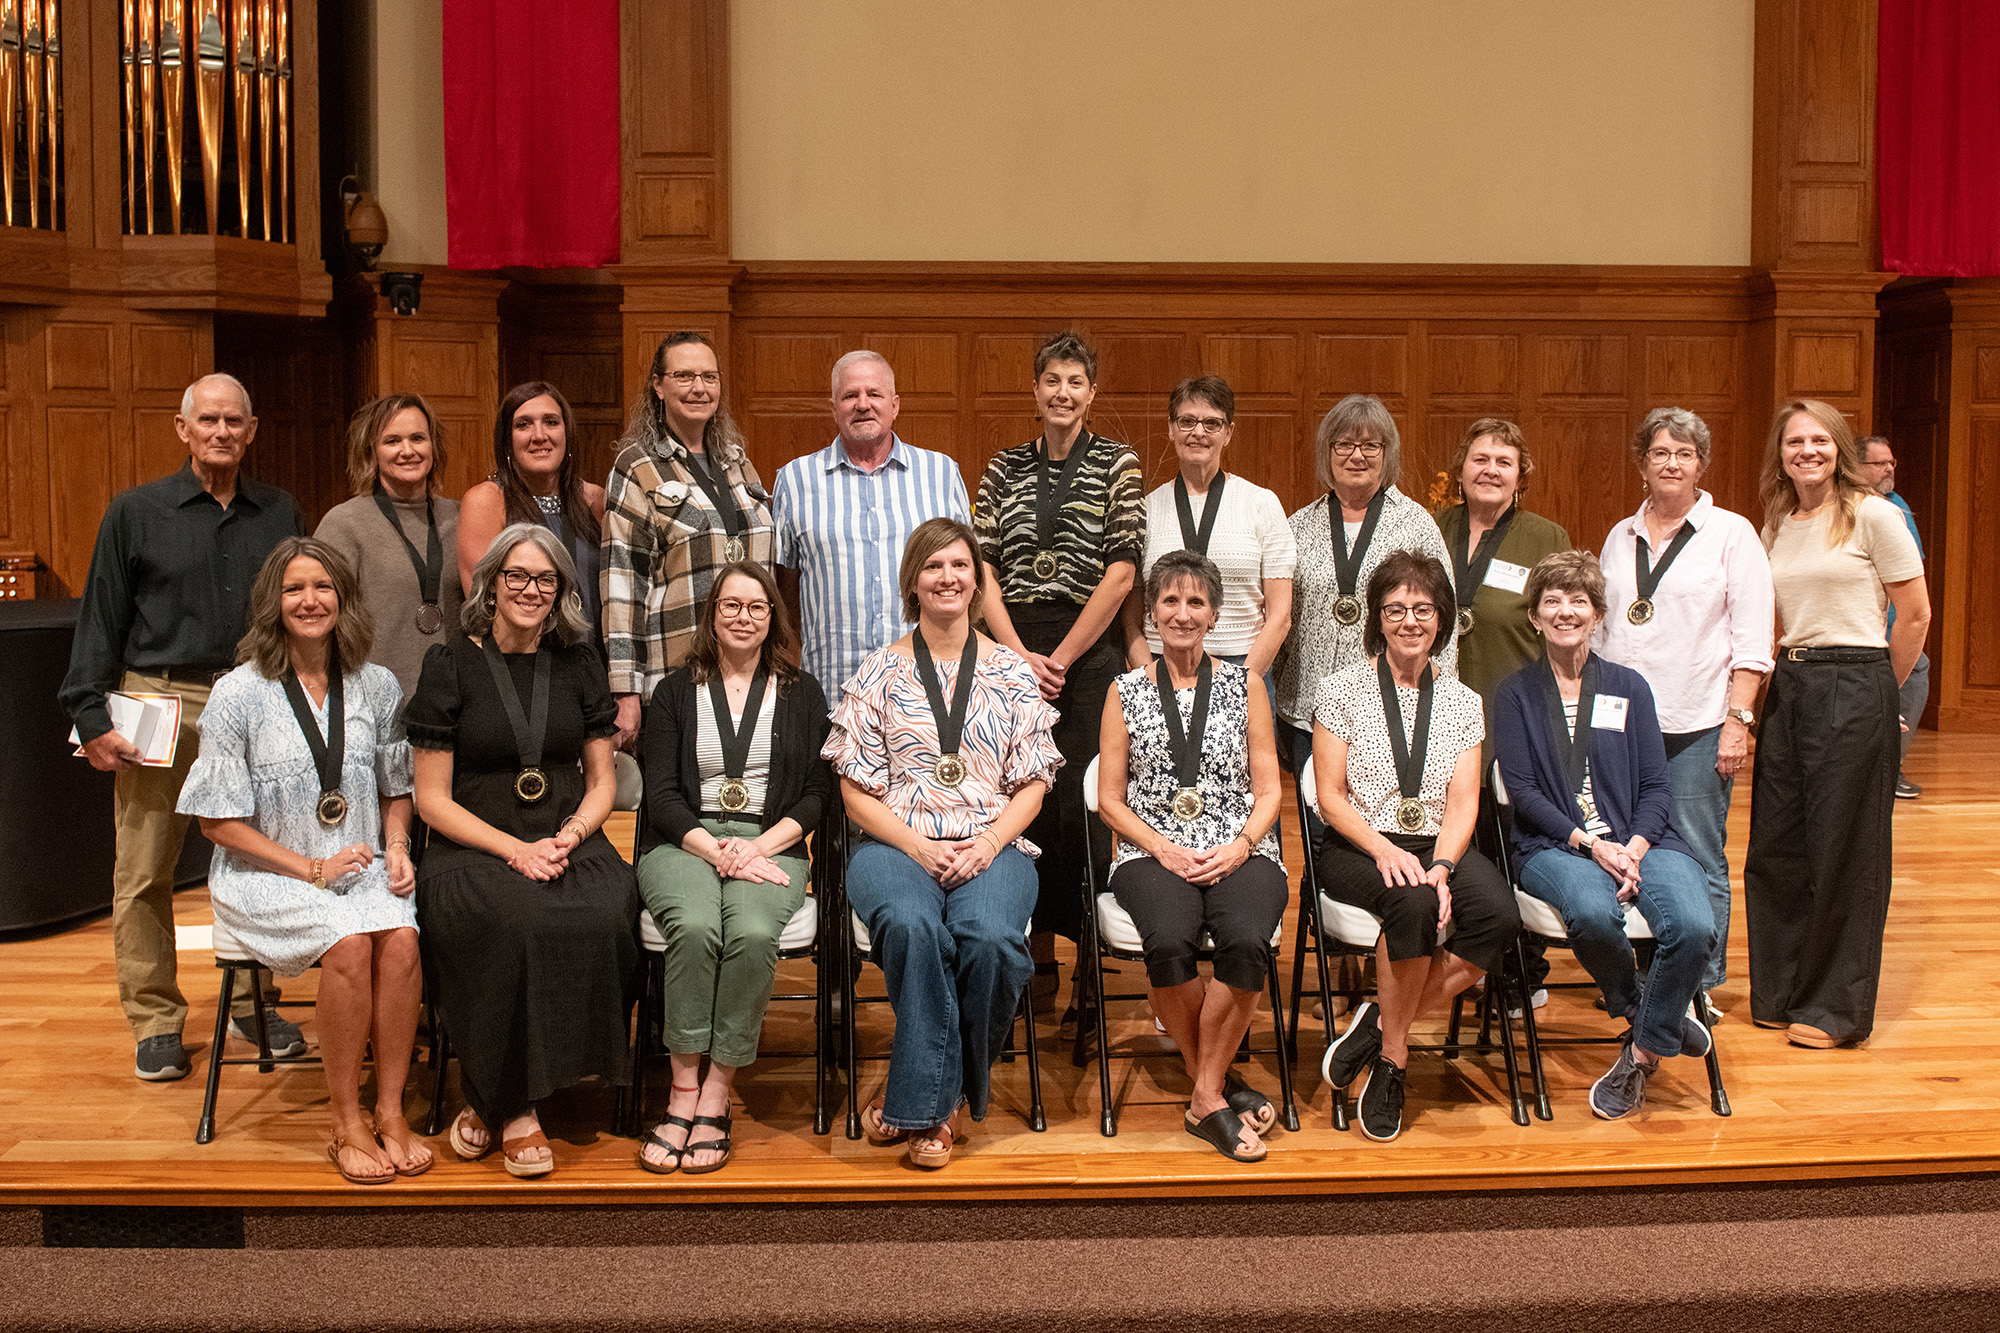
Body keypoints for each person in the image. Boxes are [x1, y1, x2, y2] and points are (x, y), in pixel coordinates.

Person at [59, 373, 306, 1082]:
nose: (222, 431)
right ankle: (157, 1018)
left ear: (251, 430)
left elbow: (304, 605)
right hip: (158, 700)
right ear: (183, 427)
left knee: (261, 857)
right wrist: (87, 710)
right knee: (145, 870)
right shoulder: (135, 512)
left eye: (235, 420)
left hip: (256, 697)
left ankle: (255, 1001)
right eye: (209, 420)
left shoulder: (280, 511)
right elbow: (100, 615)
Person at [176, 539, 427, 1182]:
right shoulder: (238, 693)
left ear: (343, 598)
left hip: (361, 862)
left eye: (322, 587)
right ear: (273, 603)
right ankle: (346, 1123)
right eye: (294, 589)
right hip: (266, 873)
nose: (310, 600)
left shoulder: (375, 683)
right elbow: (216, 820)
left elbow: (398, 788)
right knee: (348, 944)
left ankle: (391, 1112)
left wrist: (397, 847)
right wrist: (309, 868)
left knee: (401, 940)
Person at [822, 518, 1060, 1169]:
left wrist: (987, 843)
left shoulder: (1012, 673)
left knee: (990, 941)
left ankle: (925, 1099)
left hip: (995, 845)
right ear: (913, 582)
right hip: (895, 847)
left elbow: (1034, 785)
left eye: (961, 565)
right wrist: (920, 847)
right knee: (911, 924)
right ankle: (941, 1109)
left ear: (979, 581)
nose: (949, 577)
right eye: (934, 566)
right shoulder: (877, 671)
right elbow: (855, 793)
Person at [407, 523, 638, 1177]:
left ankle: (491, 1096)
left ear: (561, 588)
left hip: (565, 836)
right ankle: (515, 1108)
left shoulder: (579, 662)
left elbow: (602, 781)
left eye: (545, 579)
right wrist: (515, 849)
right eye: (517, 575)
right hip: (472, 843)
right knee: (515, 920)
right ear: (491, 582)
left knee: (608, 908)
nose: (530, 590)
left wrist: (573, 833)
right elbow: (432, 798)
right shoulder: (449, 664)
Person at [1494, 551, 1717, 1120]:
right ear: (1535, 618)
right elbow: (1523, 791)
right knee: (1593, 915)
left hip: (1646, 841)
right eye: (1552, 601)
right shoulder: (1515, 693)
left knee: (1693, 925)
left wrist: (1635, 848)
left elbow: (1656, 785)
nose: (1565, 611)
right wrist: (1593, 846)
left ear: (1598, 615)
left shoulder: (1629, 687)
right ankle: (1653, 1015)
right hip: (1554, 845)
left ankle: (1642, 1048)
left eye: (1578, 601)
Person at [1310, 550, 1517, 1142]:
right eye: (1395, 609)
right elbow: (1330, 797)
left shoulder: (1462, 702)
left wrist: (1446, 865)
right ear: (1376, 618)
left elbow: (1462, 805)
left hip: (1436, 844)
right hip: (1358, 845)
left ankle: (1379, 1022)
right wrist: (1385, 850)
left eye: (1422, 609)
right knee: (1414, 906)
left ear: (1442, 619)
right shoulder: (1340, 689)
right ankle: (1394, 1063)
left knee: (1499, 916)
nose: (1409, 621)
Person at [973, 331, 1145, 1028]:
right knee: (1021, 809)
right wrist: (1015, 653)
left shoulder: (1118, 463)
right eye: (1052, 380)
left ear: (1091, 392)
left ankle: (1089, 977)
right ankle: (1031, 963)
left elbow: (1124, 570)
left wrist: (1065, 658)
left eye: (1076, 381)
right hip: (1011, 653)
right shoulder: (1002, 466)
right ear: (1035, 388)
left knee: (1082, 811)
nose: (1063, 392)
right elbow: (982, 568)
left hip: (1088, 655)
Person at [635, 562, 830, 1175]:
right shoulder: (671, 693)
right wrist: (716, 850)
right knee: (694, 928)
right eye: (730, 605)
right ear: (711, 615)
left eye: (757, 606)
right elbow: (661, 796)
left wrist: (759, 847)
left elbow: (816, 795)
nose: (743, 617)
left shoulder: (803, 693)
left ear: (773, 617)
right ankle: (682, 1089)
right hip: (685, 843)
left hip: (770, 843)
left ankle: (719, 1088)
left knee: (746, 933)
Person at [1745, 400, 1928, 1050]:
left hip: (1855, 676)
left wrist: (1880, 692)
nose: (1807, 451)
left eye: (1819, 439)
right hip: (1789, 681)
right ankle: (1782, 990)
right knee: (1777, 845)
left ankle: (1834, 1009)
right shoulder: (1779, 521)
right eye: (1795, 441)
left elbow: (1914, 615)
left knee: (1845, 850)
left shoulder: (1873, 513)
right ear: (1782, 452)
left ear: (1839, 446)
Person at [1097, 551, 1287, 1162]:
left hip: (1240, 845)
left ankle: (1204, 1093)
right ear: (1151, 612)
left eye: (1196, 602)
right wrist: (1163, 849)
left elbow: (1270, 788)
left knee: (1248, 938)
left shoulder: (1246, 684)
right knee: (1171, 940)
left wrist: (1240, 846)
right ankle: (1218, 1085)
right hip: (1151, 850)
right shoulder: (1123, 690)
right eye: (1170, 601)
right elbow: (1108, 799)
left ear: (1214, 614)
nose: (1182, 613)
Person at [1597, 408, 1773, 1003]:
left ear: (1701, 464)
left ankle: (1699, 983)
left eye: (1685, 454)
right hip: (1619, 724)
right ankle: (1645, 972)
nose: (1672, 463)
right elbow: (1602, 631)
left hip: (1697, 722)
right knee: (1627, 846)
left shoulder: (1733, 533)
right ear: (1642, 463)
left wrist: (1737, 723)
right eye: (1660, 453)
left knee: (1697, 852)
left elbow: (1753, 639)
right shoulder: (1621, 535)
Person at [604, 332, 776, 752]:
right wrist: (625, 691)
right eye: (684, 376)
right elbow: (623, 586)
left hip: (750, 673)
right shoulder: (637, 466)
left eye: (709, 377)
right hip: (677, 672)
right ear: (658, 386)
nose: (699, 388)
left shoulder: (738, 462)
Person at [1278, 394, 1455, 793]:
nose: (1357, 455)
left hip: (1392, 707)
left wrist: (1437, 698)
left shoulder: (1416, 524)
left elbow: (1444, 616)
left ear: (1386, 453)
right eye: (1344, 444)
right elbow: (1280, 616)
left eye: (1370, 444)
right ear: (1328, 452)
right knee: (1320, 821)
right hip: (1308, 706)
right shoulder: (1297, 527)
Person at [772, 350, 970, 698]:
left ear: (894, 405)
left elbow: (968, 576)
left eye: (874, 394)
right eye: (850, 395)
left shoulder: (941, 473)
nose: (862, 404)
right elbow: (784, 587)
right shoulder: (795, 480)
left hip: (930, 689)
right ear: (834, 408)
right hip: (832, 689)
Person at [1123, 373, 1296, 718]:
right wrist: (1148, 680)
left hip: (1244, 669)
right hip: (1161, 668)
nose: (1198, 432)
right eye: (1187, 421)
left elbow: (1280, 617)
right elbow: (1130, 616)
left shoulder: (1262, 503)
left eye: (1212, 423)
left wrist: (1240, 683)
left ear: (1229, 432)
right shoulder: (1144, 508)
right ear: (1171, 428)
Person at [314, 394, 464, 706]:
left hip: (455, 704)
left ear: (433, 446)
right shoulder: (344, 523)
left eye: (418, 438)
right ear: (372, 451)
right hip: (374, 705)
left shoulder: (463, 517)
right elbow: (319, 622)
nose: (407, 451)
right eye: (392, 441)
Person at [458, 382, 606, 637]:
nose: (539, 435)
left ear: (567, 433)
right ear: (507, 439)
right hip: (523, 661)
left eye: (551, 422)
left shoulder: (595, 500)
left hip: (593, 662)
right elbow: (483, 606)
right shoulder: (487, 500)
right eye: (523, 424)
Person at [1858, 435, 1929, 800]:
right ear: (1856, 468)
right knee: (1915, 669)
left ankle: (1890, 767)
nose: (1889, 469)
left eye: (1892, 462)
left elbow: (1908, 578)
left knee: (1917, 665)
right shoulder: (1854, 508)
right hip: (1862, 631)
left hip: (1891, 624)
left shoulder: (1896, 506)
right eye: (1879, 463)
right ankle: (1887, 770)